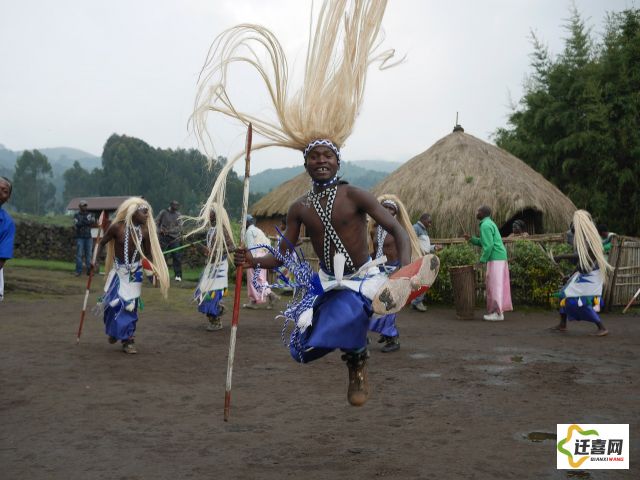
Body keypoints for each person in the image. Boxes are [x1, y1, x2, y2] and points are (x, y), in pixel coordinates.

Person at [192, 0, 438, 406]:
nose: (321, 161)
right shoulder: (299, 207)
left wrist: (404, 272)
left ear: (338, 161)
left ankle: (357, 361)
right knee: (302, 348)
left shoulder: (355, 194)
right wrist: (253, 261)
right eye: (314, 157)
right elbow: (286, 253)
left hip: (360, 279)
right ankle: (356, 353)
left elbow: (395, 229)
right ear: (305, 163)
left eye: (327, 156)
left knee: (343, 314)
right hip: (322, 282)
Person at [94, 198, 169, 354]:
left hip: (135, 273)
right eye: (144, 211)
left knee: (129, 306)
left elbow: (147, 254)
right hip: (118, 272)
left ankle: (128, 339)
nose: (147, 215)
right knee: (112, 305)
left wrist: (154, 270)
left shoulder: (144, 232)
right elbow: (101, 243)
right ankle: (115, 332)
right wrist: (94, 261)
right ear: (133, 212)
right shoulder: (117, 228)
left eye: (148, 212)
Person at [369, 195, 423, 352]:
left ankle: (393, 338)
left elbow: (405, 251)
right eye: (384, 207)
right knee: (375, 303)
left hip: (394, 270)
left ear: (395, 212)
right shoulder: (375, 230)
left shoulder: (399, 230)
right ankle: (385, 334)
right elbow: (374, 251)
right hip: (378, 270)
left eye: (391, 208)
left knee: (389, 304)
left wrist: (404, 272)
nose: (387, 210)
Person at [551, 211, 611, 336]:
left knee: (578, 300)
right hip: (585, 272)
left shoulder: (590, 239)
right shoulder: (583, 238)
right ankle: (563, 324)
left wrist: (561, 256)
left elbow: (582, 257)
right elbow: (582, 262)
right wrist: (570, 275)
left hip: (592, 274)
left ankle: (602, 327)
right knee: (563, 294)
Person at [464, 205, 513, 321]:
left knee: (495, 285)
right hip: (498, 257)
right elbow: (484, 242)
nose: (476, 213)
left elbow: (489, 246)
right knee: (496, 284)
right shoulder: (489, 223)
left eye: (478, 211)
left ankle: (498, 314)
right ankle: (497, 312)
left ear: (482, 213)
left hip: (496, 258)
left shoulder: (485, 225)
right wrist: (471, 239)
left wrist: (482, 260)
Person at [194, 204, 235, 331]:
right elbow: (208, 251)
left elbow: (232, 247)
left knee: (210, 295)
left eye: (209, 211)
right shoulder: (211, 229)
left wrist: (215, 251)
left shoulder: (222, 229)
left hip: (219, 267)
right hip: (210, 266)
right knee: (201, 293)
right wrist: (202, 249)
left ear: (216, 214)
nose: (207, 214)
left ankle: (216, 319)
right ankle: (218, 310)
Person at [243, 215, 279, 309]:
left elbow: (252, 248)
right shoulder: (259, 231)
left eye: (243, 222)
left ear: (247, 222)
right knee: (260, 278)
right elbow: (267, 243)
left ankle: (271, 296)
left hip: (254, 256)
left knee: (254, 279)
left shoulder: (249, 232)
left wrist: (253, 260)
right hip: (263, 256)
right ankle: (254, 300)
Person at [411, 213, 440, 312]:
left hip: (423, 258)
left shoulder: (424, 230)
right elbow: (411, 241)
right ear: (423, 219)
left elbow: (425, 247)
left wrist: (434, 247)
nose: (430, 224)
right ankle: (417, 302)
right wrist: (419, 252)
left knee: (421, 280)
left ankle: (416, 301)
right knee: (423, 280)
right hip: (418, 258)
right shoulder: (415, 228)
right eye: (429, 221)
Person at [156, 200, 183, 282]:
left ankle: (178, 276)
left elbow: (180, 227)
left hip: (174, 238)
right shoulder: (163, 212)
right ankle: (162, 275)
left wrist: (170, 231)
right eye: (175, 205)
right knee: (162, 257)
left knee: (176, 256)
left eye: (177, 205)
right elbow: (156, 222)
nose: (176, 207)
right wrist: (159, 230)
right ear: (171, 205)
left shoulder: (178, 215)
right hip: (163, 238)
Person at [0, 177, 15, 302]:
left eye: (4, 190)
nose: (0, 192)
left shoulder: (7, 223)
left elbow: (1, 260)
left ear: (8, 198)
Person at [73, 200, 95, 276]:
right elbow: (77, 224)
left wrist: (82, 222)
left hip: (88, 237)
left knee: (88, 254)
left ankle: (89, 271)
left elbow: (92, 222)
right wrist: (86, 222)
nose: (85, 206)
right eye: (83, 205)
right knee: (79, 254)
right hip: (80, 237)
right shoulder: (76, 215)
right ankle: (78, 271)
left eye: (86, 205)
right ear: (80, 206)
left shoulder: (90, 214)